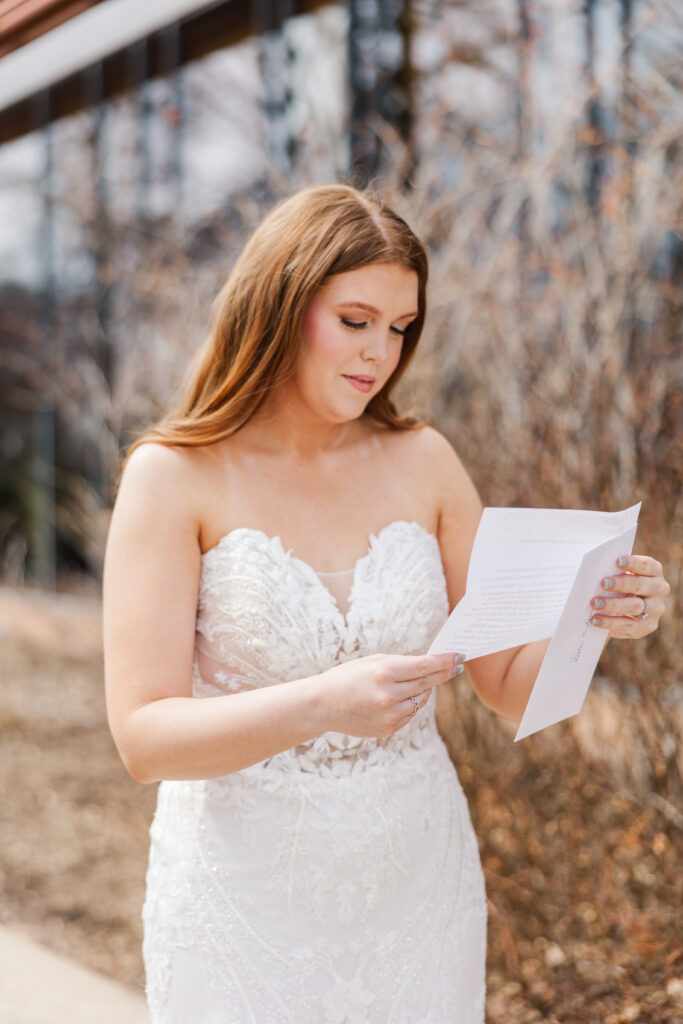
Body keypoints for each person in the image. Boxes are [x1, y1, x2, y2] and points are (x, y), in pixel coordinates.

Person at [103, 184, 670, 1024]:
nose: (380, 353)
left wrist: (594, 615)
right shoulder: (173, 475)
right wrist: (321, 705)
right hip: (240, 897)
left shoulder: (424, 459)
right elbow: (143, 737)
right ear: (281, 305)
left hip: (414, 885)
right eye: (355, 320)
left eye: (400, 327)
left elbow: (504, 681)